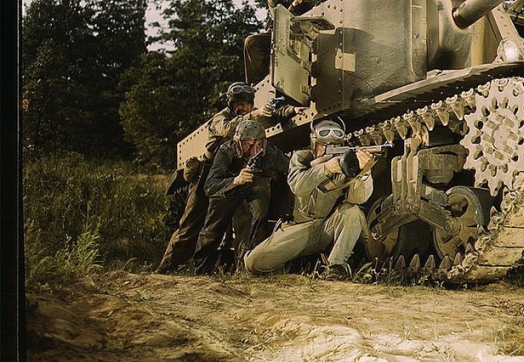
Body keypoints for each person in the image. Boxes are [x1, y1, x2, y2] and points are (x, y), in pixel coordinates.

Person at [155, 82, 286, 274]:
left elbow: (275, 118)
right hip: (207, 175)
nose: (242, 108)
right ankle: (166, 269)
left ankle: (243, 270)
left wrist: (289, 110)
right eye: (237, 104)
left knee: (243, 222)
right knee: (190, 225)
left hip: (235, 177)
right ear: (231, 105)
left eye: (246, 104)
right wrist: (254, 115)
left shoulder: (251, 120)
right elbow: (227, 129)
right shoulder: (221, 118)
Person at [243, 119, 383, 281]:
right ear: (313, 144)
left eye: (334, 146)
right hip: (298, 229)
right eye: (323, 145)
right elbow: (298, 186)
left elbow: (358, 198)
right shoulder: (300, 158)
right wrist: (326, 168)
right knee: (253, 263)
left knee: (352, 211)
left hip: (326, 227)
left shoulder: (346, 163)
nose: (327, 150)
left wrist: (363, 172)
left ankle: (336, 266)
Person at [192, 119, 290, 276]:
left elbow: (290, 166)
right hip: (227, 187)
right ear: (238, 143)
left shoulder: (270, 152)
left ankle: (251, 269)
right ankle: (201, 271)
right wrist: (235, 180)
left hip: (255, 184)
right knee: (213, 229)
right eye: (248, 145)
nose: (254, 150)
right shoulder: (226, 151)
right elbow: (210, 186)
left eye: (258, 145)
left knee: (257, 219)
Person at [243, 0, 318, 86]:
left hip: (300, 36)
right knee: (252, 42)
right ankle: (256, 84)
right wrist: (294, 5)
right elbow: (279, 20)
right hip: (276, 32)